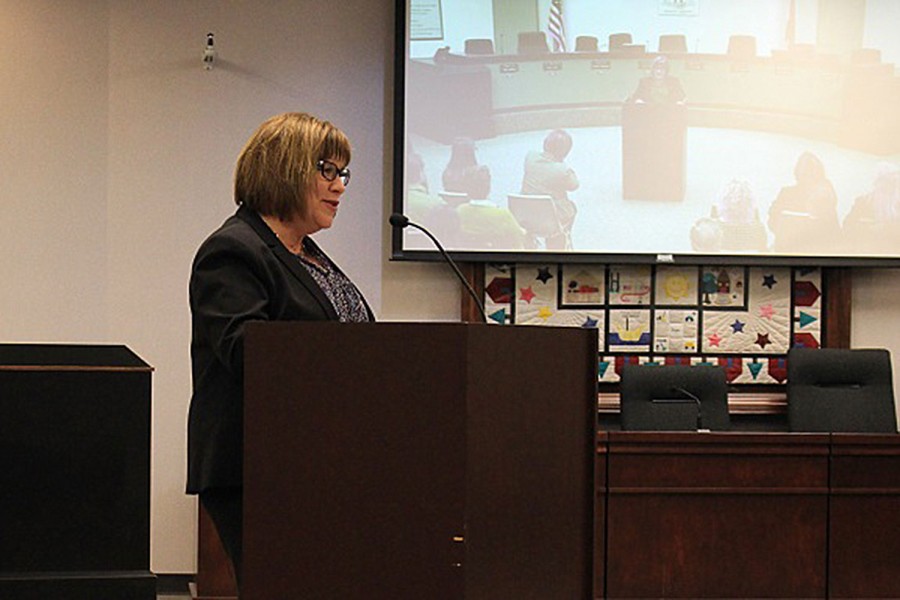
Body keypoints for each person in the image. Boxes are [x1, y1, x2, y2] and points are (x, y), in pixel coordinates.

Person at [186, 112, 374, 587]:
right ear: (284, 169)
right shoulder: (233, 250)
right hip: (263, 467)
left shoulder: (307, 254)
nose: (340, 186)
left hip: (324, 460)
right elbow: (250, 353)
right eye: (327, 170)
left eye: (342, 173)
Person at [767, 151, 840, 253]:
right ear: (797, 174)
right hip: (788, 252)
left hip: (818, 254)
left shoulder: (825, 198)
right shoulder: (786, 194)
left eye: (812, 173)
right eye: (804, 173)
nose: (808, 177)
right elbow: (772, 222)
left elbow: (834, 234)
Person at [520, 128, 579, 249]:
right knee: (572, 209)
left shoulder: (530, 156)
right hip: (551, 219)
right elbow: (574, 185)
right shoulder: (562, 170)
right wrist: (562, 163)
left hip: (525, 214)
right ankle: (556, 244)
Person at [842, 162, 900, 254]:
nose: (890, 184)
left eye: (894, 180)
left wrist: (885, 228)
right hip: (868, 253)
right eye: (887, 180)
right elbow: (847, 226)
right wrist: (867, 228)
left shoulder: (897, 203)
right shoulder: (863, 202)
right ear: (878, 182)